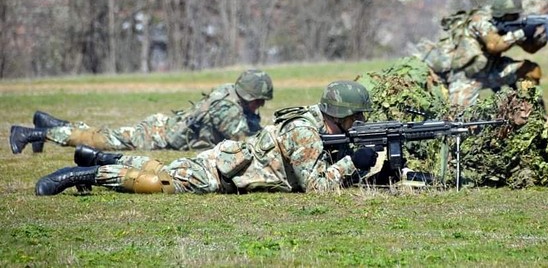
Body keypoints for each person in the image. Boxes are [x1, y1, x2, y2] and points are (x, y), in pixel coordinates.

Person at [34, 80, 379, 196]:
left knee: (162, 168)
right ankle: (77, 176)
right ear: (341, 114)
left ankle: (94, 158)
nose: (359, 123)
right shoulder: (305, 132)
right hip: (219, 173)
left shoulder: (313, 120)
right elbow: (317, 188)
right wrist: (354, 161)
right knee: (160, 183)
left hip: (227, 166)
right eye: (356, 117)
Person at [10, 69, 273, 154]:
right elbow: (245, 142)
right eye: (259, 101)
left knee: (102, 134)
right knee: (100, 140)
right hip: (157, 135)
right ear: (248, 95)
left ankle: (45, 123)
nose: (260, 106)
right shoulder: (227, 108)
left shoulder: (230, 92)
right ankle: (32, 134)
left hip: (163, 127)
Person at [418, 0, 548, 107]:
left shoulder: (508, 25)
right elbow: (494, 46)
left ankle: (532, 114)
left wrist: (543, 35)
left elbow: (530, 48)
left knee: (531, 70)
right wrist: (521, 32)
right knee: (462, 122)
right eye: (513, 15)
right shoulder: (480, 20)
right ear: (502, 15)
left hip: (492, 70)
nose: (516, 18)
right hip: (467, 76)